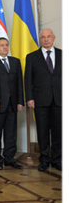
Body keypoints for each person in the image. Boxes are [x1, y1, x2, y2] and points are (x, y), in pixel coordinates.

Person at [25, 29, 66, 172]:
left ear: (54, 38)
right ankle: (44, 160)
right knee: (42, 131)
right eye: (43, 37)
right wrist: (29, 97)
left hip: (60, 99)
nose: (46, 40)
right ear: (40, 40)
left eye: (48, 37)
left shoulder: (64, 55)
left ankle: (57, 160)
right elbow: (27, 79)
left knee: (58, 131)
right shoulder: (32, 57)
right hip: (40, 100)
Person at [0, 37, 24, 170]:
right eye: (1, 45)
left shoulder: (15, 62)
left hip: (13, 104)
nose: (5, 47)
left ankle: (9, 158)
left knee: (11, 133)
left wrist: (20, 101)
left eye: (6, 45)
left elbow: (19, 84)